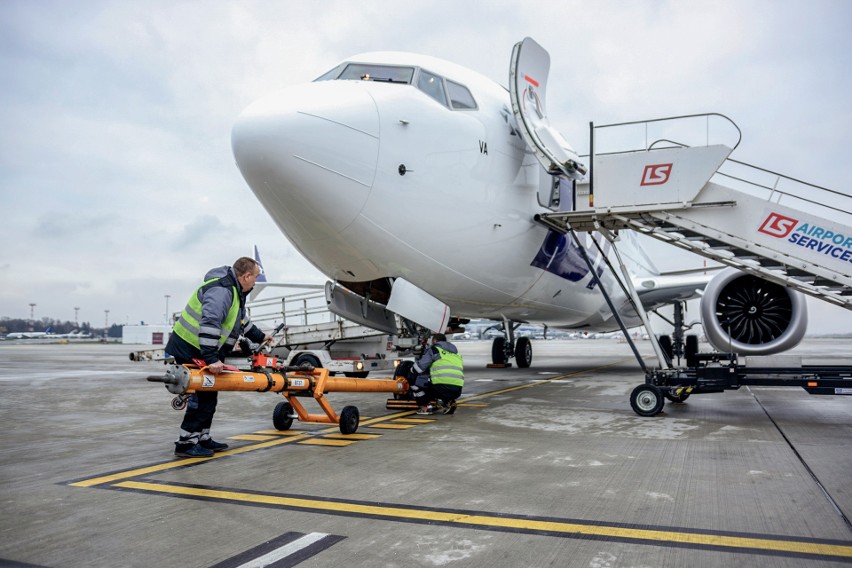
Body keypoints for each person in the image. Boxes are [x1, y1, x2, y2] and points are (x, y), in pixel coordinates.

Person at [166, 257, 272, 457]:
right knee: (201, 396)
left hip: (199, 348)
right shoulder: (223, 291)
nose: (255, 282)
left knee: (209, 395)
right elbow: (210, 325)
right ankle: (186, 443)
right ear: (246, 275)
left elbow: (240, 320)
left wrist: (260, 336)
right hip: (191, 347)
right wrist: (211, 358)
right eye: (255, 277)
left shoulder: (235, 290)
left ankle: (202, 437)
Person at [409, 333, 464, 415]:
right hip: (457, 390)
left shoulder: (435, 350)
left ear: (434, 340)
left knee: (415, 382)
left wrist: (410, 370)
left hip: (441, 388)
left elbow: (419, 368)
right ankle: (449, 402)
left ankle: (425, 407)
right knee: (443, 384)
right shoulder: (456, 354)